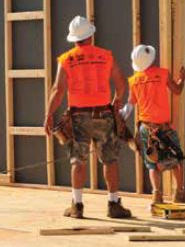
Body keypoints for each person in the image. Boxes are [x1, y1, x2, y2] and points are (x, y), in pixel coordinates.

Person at [44, 16, 132, 219]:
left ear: (74, 39)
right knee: (110, 160)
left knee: (78, 161)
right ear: (91, 36)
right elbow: (121, 83)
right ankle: (113, 203)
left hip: (78, 116)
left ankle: (77, 205)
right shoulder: (106, 56)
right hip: (104, 114)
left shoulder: (67, 59)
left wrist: (49, 114)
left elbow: (58, 89)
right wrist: (117, 100)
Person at [124, 44, 185, 204]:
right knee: (175, 160)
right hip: (163, 128)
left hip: (146, 127)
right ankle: (178, 193)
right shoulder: (163, 74)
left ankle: (157, 195)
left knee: (152, 163)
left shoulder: (133, 81)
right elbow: (177, 90)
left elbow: (130, 104)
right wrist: (182, 78)